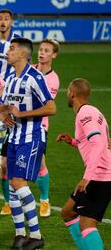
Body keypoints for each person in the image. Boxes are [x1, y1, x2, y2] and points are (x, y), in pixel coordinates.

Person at [0, 38, 56, 249]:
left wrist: (22, 114)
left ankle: (36, 236)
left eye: (12, 49)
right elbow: (3, 106)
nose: (8, 52)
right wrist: (2, 113)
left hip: (31, 138)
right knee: (13, 187)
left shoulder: (35, 77)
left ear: (23, 54)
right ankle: (20, 235)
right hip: (13, 138)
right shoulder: (11, 78)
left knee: (18, 183)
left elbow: (51, 107)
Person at [58, 78, 111, 250]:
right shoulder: (92, 111)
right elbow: (95, 140)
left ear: (72, 93)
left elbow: (97, 143)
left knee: (87, 225)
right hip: (100, 173)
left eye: (68, 91)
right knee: (67, 213)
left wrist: (86, 178)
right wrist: (73, 141)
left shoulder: (85, 114)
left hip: (100, 176)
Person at [0, 9, 21, 170]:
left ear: (11, 22)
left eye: (6, 19)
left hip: (10, 85)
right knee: (0, 118)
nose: (3, 22)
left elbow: (25, 60)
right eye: (0, 19)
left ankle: (5, 155)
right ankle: (4, 155)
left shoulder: (17, 40)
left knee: (3, 118)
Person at [33, 39, 60, 217]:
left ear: (53, 55)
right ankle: (11, 201)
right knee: (6, 163)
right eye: (41, 49)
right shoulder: (30, 69)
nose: (42, 52)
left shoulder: (53, 79)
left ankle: (44, 200)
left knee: (40, 163)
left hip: (39, 125)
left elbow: (46, 105)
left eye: (46, 50)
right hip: (18, 123)